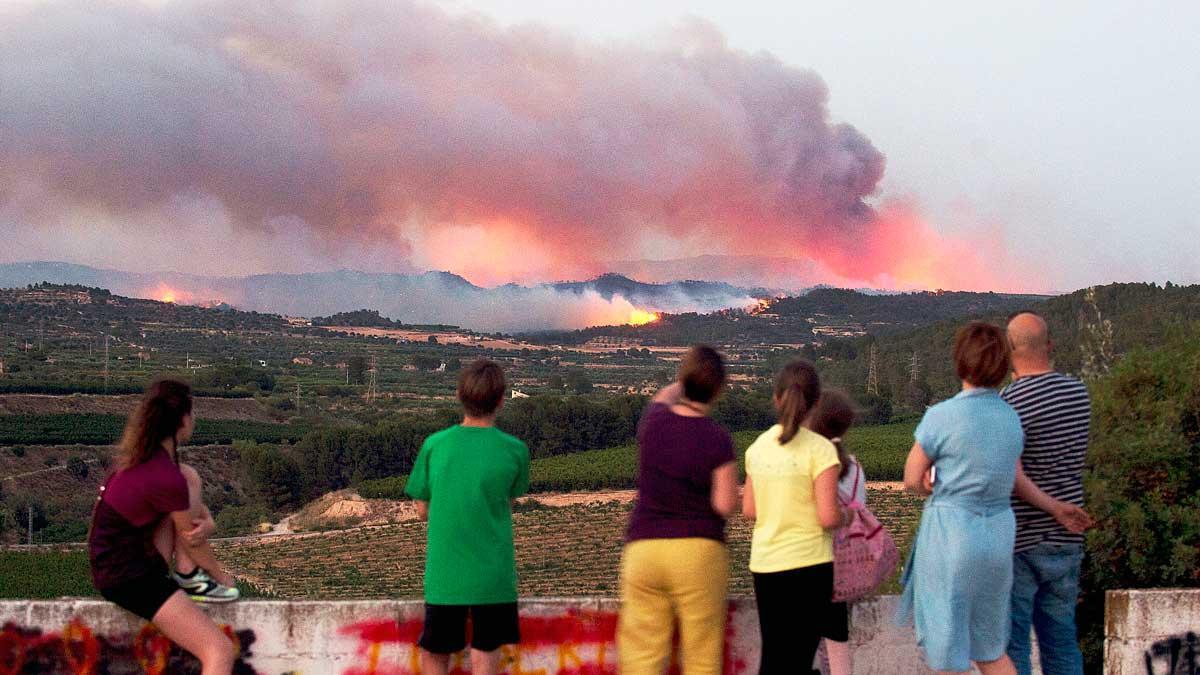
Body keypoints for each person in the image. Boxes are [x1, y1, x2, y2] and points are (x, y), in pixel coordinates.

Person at [897, 321, 1024, 675]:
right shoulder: (1011, 419)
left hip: (952, 534)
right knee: (990, 649)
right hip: (999, 535)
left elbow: (911, 478)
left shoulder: (942, 416)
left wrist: (929, 486)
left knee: (947, 650)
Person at [88, 378, 236, 675]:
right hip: (129, 576)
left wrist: (205, 522)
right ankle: (191, 577)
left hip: (116, 564)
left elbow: (187, 509)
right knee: (218, 650)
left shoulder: (146, 462)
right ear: (183, 419)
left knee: (190, 476)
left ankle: (186, 574)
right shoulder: (164, 476)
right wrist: (223, 578)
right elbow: (192, 539)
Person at [617, 345, 739, 675]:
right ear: (719, 389)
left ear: (682, 381)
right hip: (698, 553)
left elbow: (662, 396)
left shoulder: (654, 423)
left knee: (641, 656)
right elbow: (725, 505)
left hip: (643, 550)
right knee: (701, 655)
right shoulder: (718, 439)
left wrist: (683, 382)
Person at [406, 359, 531, 675]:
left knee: (437, 650)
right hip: (494, 576)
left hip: (445, 575)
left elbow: (422, 509)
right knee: (486, 651)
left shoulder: (435, 445)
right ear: (501, 400)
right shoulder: (515, 450)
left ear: (459, 395)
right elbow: (509, 500)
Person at [744, 360, 848, 675]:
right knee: (799, 659)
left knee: (775, 658)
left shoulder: (758, 447)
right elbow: (828, 516)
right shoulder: (821, 450)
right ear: (816, 403)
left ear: (777, 398)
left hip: (766, 566)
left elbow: (749, 509)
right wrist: (849, 517)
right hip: (810, 567)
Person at [1003, 312, 1093, 675]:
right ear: (1050, 345)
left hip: (1021, 539)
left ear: (1009, 351)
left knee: (1015, 646)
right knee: (1062, 642)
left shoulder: (1009, 402)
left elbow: (1011, 475)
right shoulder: (1079, 393)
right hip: (1067, 539)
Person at [807, 389, 863, 675]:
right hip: (846, 567)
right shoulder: (854, 467)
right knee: (837, 642)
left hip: (812, 561)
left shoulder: (811, 461)